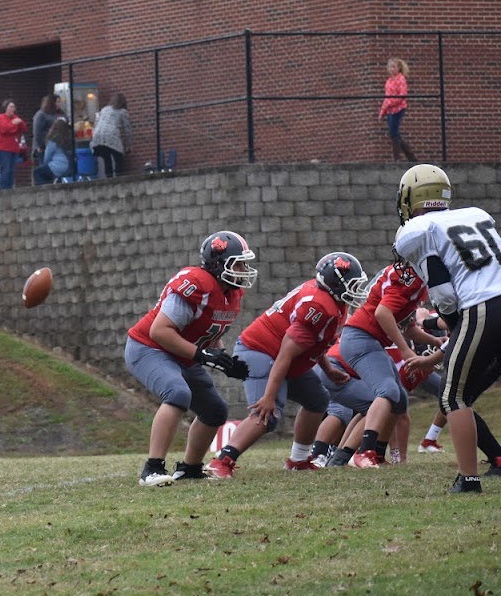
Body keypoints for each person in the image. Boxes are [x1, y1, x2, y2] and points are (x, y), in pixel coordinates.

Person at [205, 252, 368, 479]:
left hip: (282, 357)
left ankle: (298, 460)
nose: (356, 290)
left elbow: (315, 341)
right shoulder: (319, 306)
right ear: (334, 283)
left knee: (317, 400)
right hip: (260, 352)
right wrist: (270, 395)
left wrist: (328, 370)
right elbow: (286, 352)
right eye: (352, 284)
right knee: (267, 414)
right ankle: (221, 461)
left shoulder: (333, 303)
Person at [394, 163, 501, 493]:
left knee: (452, 396)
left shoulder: (418, 230)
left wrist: (453, 322)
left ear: (411, 198)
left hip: (485, 306)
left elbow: (442, 292)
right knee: (463, 392)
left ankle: (468, 480)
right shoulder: (475, 215)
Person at [127, 231, 255, 487]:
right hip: (149, 348)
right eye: (238, 263)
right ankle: (152, 469)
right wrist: (201, 354)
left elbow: (210, 331)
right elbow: (159, 331)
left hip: (182, 355)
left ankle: (190, 468)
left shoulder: (231, 293)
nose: (244, 269)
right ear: (218, 264)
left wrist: (223, 360)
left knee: (215, 411)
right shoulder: (196, 284)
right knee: (177, 393)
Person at [335, 256, 438, 469]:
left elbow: (407, 327)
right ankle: (363, 452)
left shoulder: (416, 279)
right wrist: (404, 349)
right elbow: (383, 313)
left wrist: (435, 340)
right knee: (388, 391)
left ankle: (368, 455)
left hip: (368, 339)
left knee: (399, 400)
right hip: (361, 337)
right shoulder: (411, 278)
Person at [379, 57, 416, 162]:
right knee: (393, 133)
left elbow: (402, 95)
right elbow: (387, 98)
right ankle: (410, 156)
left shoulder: (401, 79)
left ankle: (398, 157)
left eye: (394, 67)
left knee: (393, 132)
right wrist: (382, 111)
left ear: (398, 68)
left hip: (398, 108)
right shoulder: (389, 81)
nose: (392, 69)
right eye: (390, 67)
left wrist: (391, 102)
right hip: (390, 110)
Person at [92, 93, 132, 178]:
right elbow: (128, 129)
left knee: (107, 159)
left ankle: (109, 179)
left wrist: (93, 134)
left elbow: (96, 123)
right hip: (111, 135)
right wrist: (128, 144)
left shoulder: (104, 109)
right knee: (119, 157)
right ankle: (119, 178)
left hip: (98, 135)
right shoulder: (123, 112)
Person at [33, 110, 73, 185]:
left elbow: (47, 158)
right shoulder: (69, 140)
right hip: (69, 167)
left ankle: (44, 191)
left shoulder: (53, 141)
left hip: (57, 167)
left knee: (37, 172)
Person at [0, 100, 26, 190]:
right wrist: (13, 124)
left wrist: (18, 123)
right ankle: (4, 189)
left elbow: (23, 127)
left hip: (14, 148)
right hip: (3, 148)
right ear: (5, 108)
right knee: (5, 169)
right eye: (10, 107)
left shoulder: (15, 117)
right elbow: (5, 129)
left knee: (12, 170)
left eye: (13, 107)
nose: (13, 109)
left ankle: (10, 188)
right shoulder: (1, 118)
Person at [31, 94, 63, 165]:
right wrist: (41, 146)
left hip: (58, 146)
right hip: (44, 146)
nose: (59, 104)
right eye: (57, 102)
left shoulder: (61, 114)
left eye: (60, 102)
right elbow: (37, 132)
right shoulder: (41, 115)